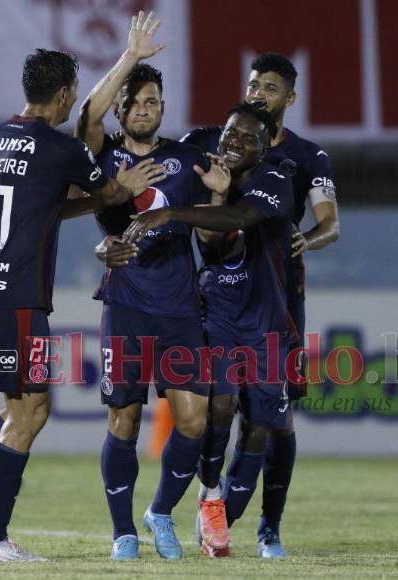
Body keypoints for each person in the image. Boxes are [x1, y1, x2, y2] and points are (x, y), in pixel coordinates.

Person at [0, 47, 157, 563]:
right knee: (32, 412)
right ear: (63, 93)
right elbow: (108, 186)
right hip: (21, 299)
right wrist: (123, 187)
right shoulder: (57, 149)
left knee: (15, 409)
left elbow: (44, 204)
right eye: (72, 93)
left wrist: (100, 196)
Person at [76, 11, 230, 561]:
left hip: (181, 310)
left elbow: (212, 246)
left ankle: (159, 512)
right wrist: (131, 57)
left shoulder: (187, 160)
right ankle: (122, 531)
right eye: (134, 103)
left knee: (193, 420)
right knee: (124, 418)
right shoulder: (105, 157)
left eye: (152, 104)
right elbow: (86, 114)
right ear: (121, 110)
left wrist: (215, 197)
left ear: (163, 110)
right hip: (126, 306)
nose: (143, 110)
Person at [181, 52, 340, 558]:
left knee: (275, 419)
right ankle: (210, 506)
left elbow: (330, 223)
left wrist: (307, 241)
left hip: (280, 296)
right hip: (223, 293)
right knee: (219, 404)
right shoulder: (216, 139)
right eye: (254, 84)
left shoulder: (308, 157)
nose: (259, 94)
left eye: (270, 88)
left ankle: (268, 526)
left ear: (289, 99)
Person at [122, 103, 294, 558]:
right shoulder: (205, 163)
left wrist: (176, 214)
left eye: (248, 138)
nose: (235, 142)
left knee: (258, 428)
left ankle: (225, 513)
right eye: (231, 132)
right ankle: (212, 495)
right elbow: (212, 243)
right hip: (215, 310)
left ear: (265, 147)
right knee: (219, 405)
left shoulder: (274, 179)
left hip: (266, 320)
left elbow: (238, 222)